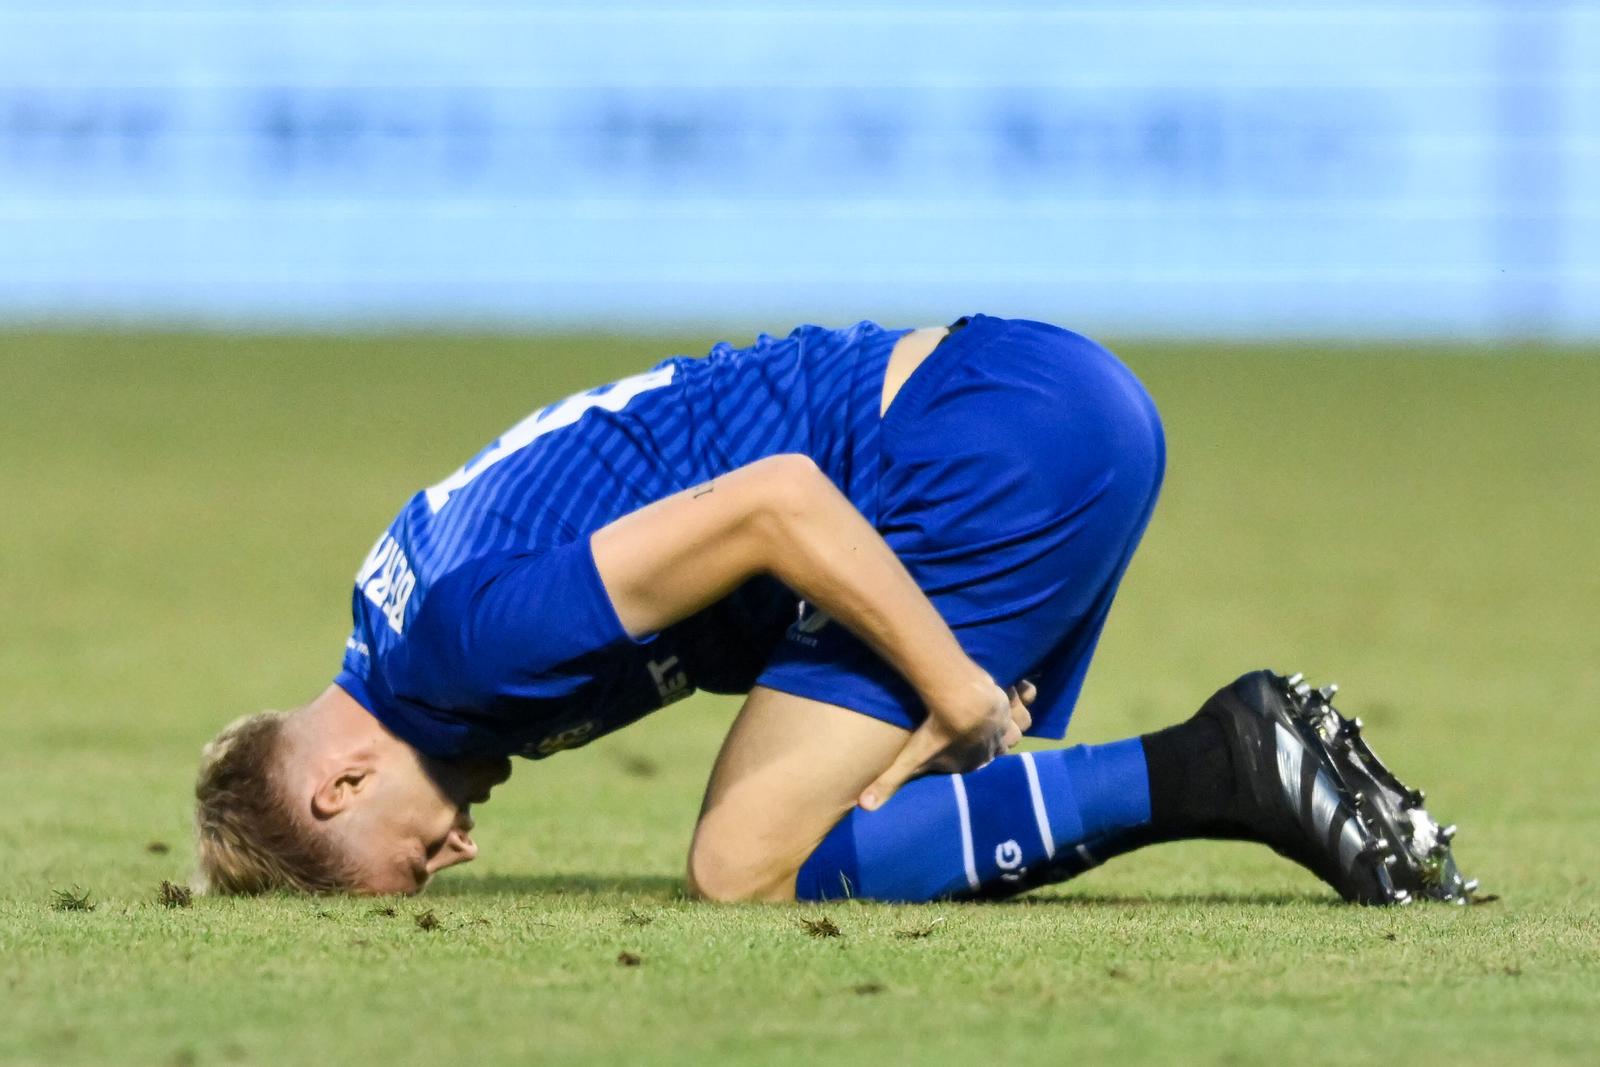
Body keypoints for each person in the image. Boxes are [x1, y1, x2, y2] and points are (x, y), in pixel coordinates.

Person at [193, 315, 1471, 904]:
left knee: (741, 862)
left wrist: (956, 683)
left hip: (982, 437)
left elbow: (779, 501)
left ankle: (1230, 762)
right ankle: (1235, 764)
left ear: (339, 786)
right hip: (1034, 403)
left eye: (403, 868)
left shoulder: (466, 644)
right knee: (882, 817)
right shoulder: (393, 606)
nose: (452, 855)